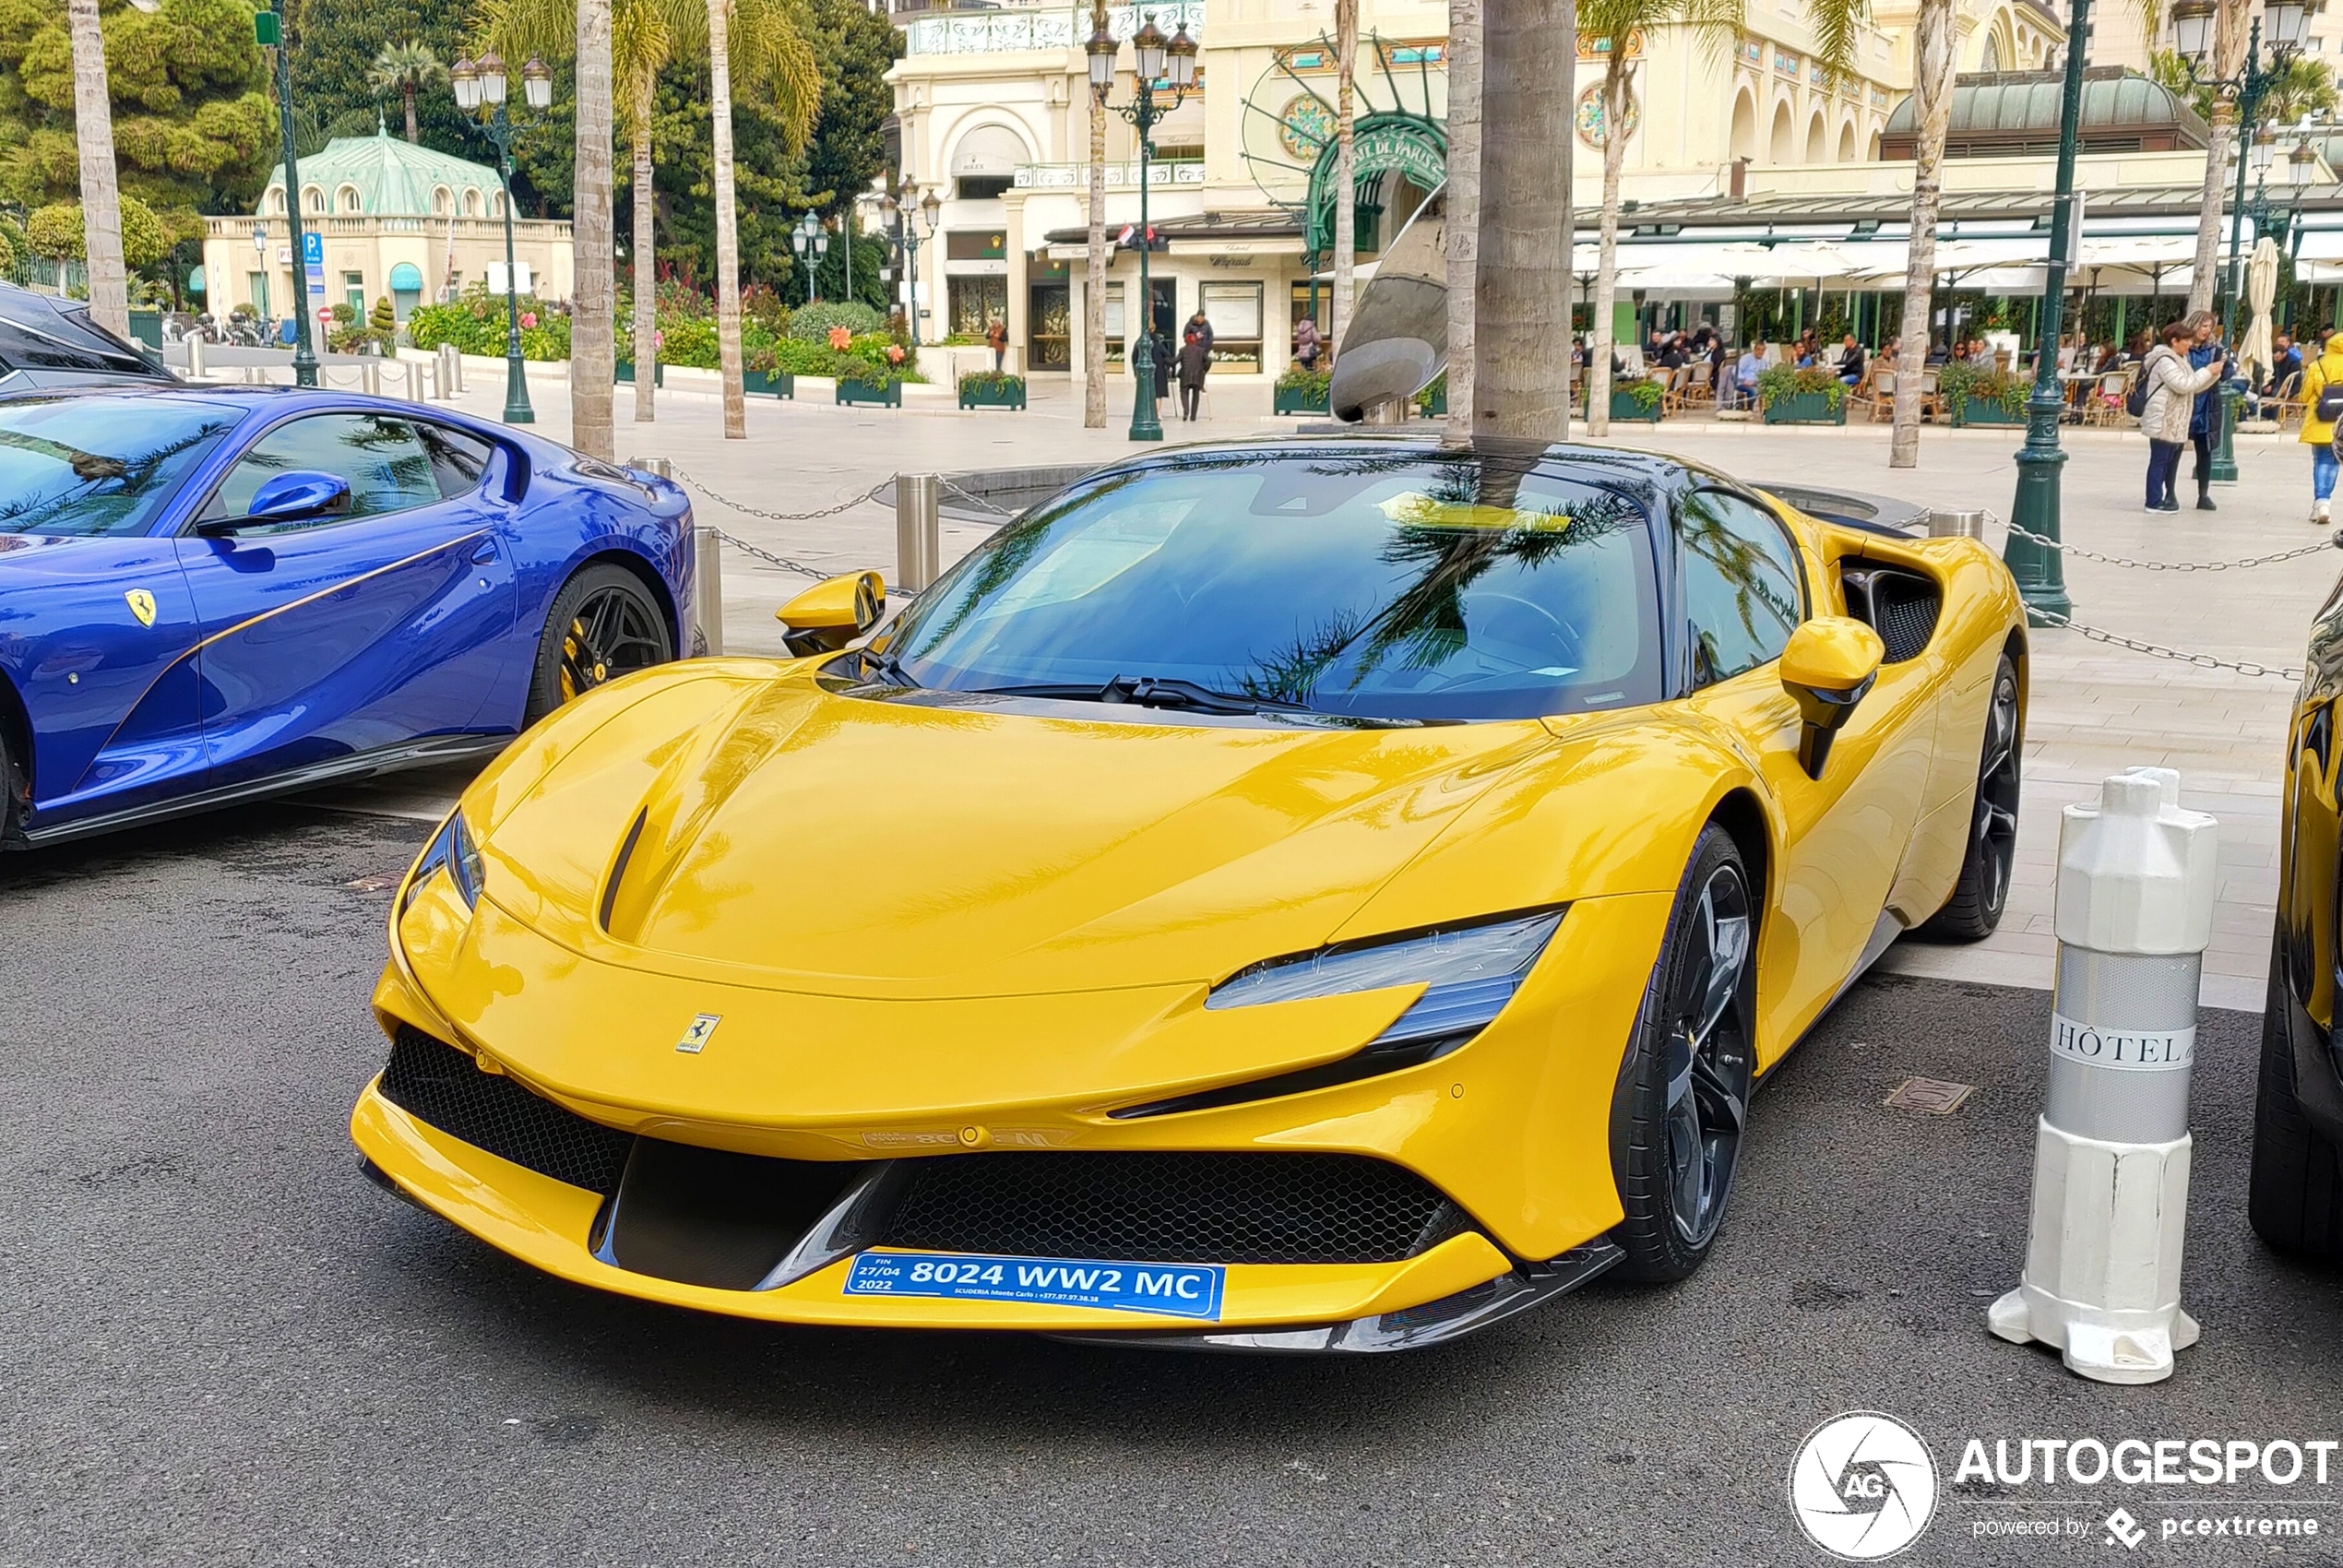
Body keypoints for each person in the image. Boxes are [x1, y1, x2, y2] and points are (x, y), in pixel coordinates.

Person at [2138, 318, 2227, 514]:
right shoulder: (2165, 361)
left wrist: (2213, 375)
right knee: (2159, 460)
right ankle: (2153, 501)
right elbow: (2183, 384)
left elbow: (2192, 387)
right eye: (2185, 340)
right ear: (2174, 341)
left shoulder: (2180, 359)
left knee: (2166, 460)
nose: (2189, 344)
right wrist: (2206, 371)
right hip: (2163, 418)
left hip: (2174, 419)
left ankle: (2159, 498)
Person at [2295, 330, 2343, 523]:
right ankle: (2325, 502)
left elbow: (2305, 395)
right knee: (2334, 462)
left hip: (2321, 420)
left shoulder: (2317, 365)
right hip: (2342, 423)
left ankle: (2320, 502)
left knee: (2321, 460)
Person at [2185, 313, 2223, 512]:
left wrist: (2226, 367)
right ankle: (2168, 493)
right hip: (2186, 400)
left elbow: (2225, 375)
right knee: (2173, 451)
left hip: (2208, 404)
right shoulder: (2184, 348)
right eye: (2202, 326)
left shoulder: (2215, 349)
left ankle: (2203, 494)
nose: (2205, 330)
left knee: (2205, 451)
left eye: (2209, 326)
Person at [1176, 327, 1210, 422]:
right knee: (1196, 395)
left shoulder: (1182, 350)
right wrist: (1204, 369)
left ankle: (1186, 411)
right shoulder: (1201, 350)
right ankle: (1193, 416)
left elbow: (1176, 360)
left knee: (1184, 392)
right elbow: (1209, 360)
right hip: (1198, 375)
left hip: (1185, 375)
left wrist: (1167, 362)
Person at [1732, 342, 1763, 409]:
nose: (1760, 352)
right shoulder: (1746, 358)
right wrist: (1744, 380)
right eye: (1758, 349)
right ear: (1754, 350)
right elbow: (1735, 370)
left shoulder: (1764, 362)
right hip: (1743, 383)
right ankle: (1749, 408)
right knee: (1754, 391)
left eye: (1763, 350)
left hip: (1756, 383)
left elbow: (1764, 375)